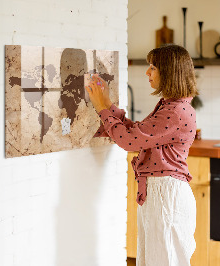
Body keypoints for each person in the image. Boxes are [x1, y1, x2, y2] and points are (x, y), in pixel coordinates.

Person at [86, 44, 198, 266]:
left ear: (169, 72)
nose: (147, 72)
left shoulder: (175, 111)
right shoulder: (171, 106)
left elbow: (129, 141)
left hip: (166, 195)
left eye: (153, 67)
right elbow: (137, 133)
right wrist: (108, 104)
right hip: (161, 193)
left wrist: (101, 108)